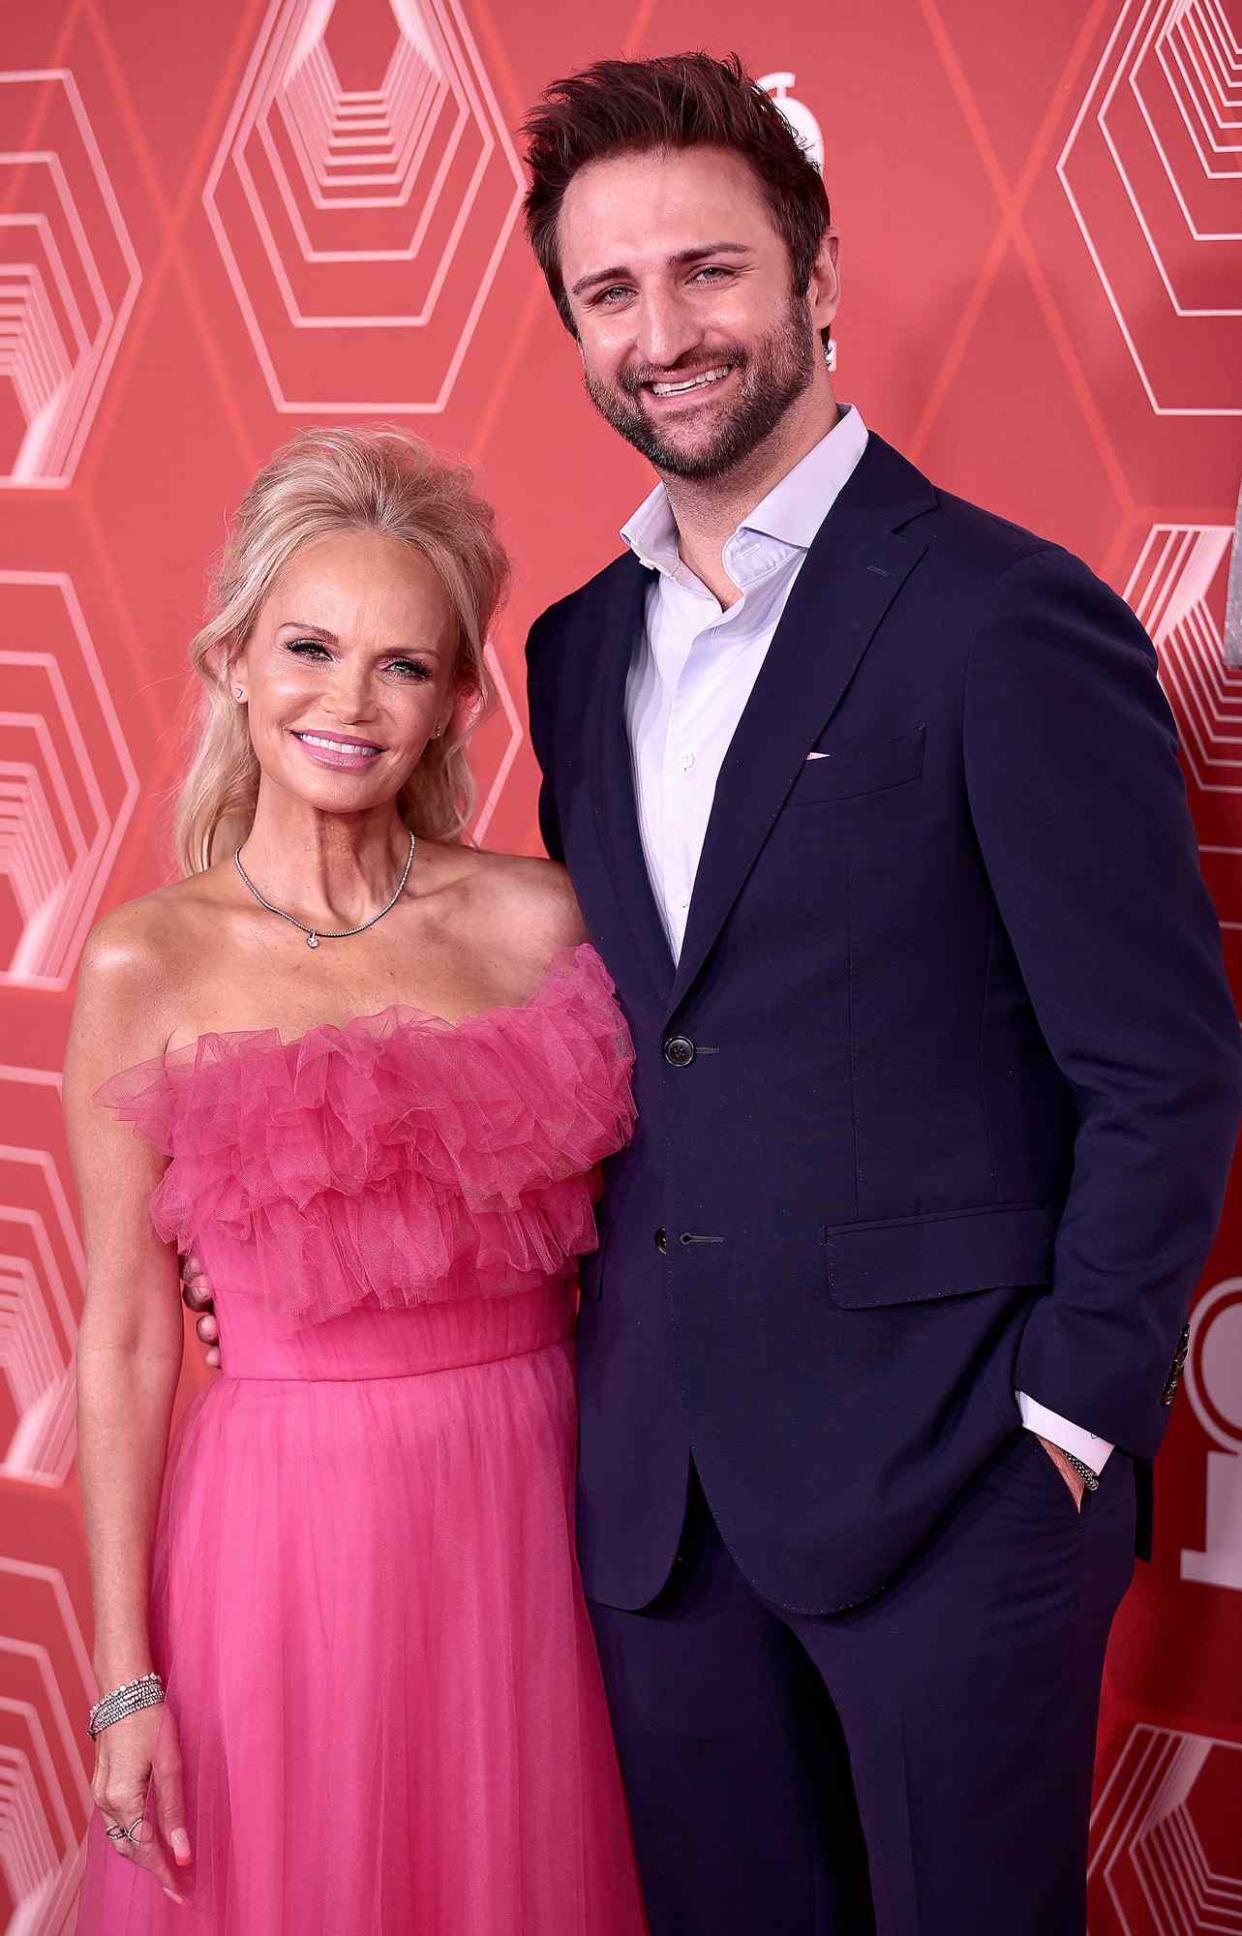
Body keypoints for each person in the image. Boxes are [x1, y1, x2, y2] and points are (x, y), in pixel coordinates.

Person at [184, 52, 1242, 1935]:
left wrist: (1068, 1422)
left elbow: (1160, 1068)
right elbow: (630, 1040)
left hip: (955, 1484)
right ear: (571, 329)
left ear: (816, 277)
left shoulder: (1004, 616)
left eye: (709, 272)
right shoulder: (578, 651)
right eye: (610, 292)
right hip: (659, 1496)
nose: (661, 332)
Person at [66, 428, 647, 1933]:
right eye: (309, 647)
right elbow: (126, 1339)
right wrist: (123, 1676)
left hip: (540, 1515)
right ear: (235, 663)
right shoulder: (147, 959)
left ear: (459, 698)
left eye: (403, 664)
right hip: (283, 1537)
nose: (348, 700)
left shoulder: (543, 920)